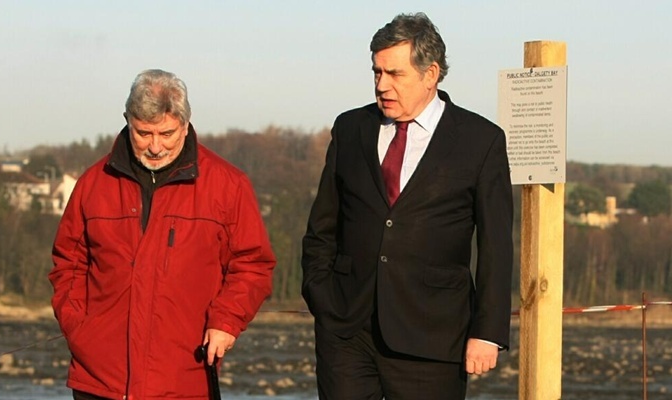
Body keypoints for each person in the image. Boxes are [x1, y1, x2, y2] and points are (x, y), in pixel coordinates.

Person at [301, 12, 514, 400]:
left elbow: (497, 245)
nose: (382, 85)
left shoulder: (480, 141)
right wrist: (321, 295)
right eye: (376, 72)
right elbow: (322, 227)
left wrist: (488, 332)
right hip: (346, 331)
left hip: (432, 335)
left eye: (395, 74)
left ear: (430, 74)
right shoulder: (350, 129)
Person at [49, 69, 276, 400]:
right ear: (128, 121)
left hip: (185, 376)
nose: (155, 146)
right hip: (99, 378)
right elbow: (68, 262)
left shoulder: (228, 186)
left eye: (167, 134)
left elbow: (253, 265)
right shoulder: (94, 183)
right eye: (143, 133)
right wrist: (79, 329)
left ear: (185, 124)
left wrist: (227, 321)